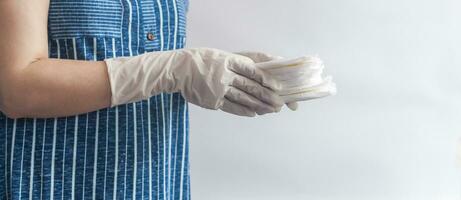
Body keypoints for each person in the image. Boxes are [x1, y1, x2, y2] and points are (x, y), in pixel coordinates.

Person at [0, 0, 296, 199]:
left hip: (160, 184)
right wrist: (176, 68)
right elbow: (16, 87)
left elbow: (150, 61)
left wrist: (224, 72)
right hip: (52, 186)